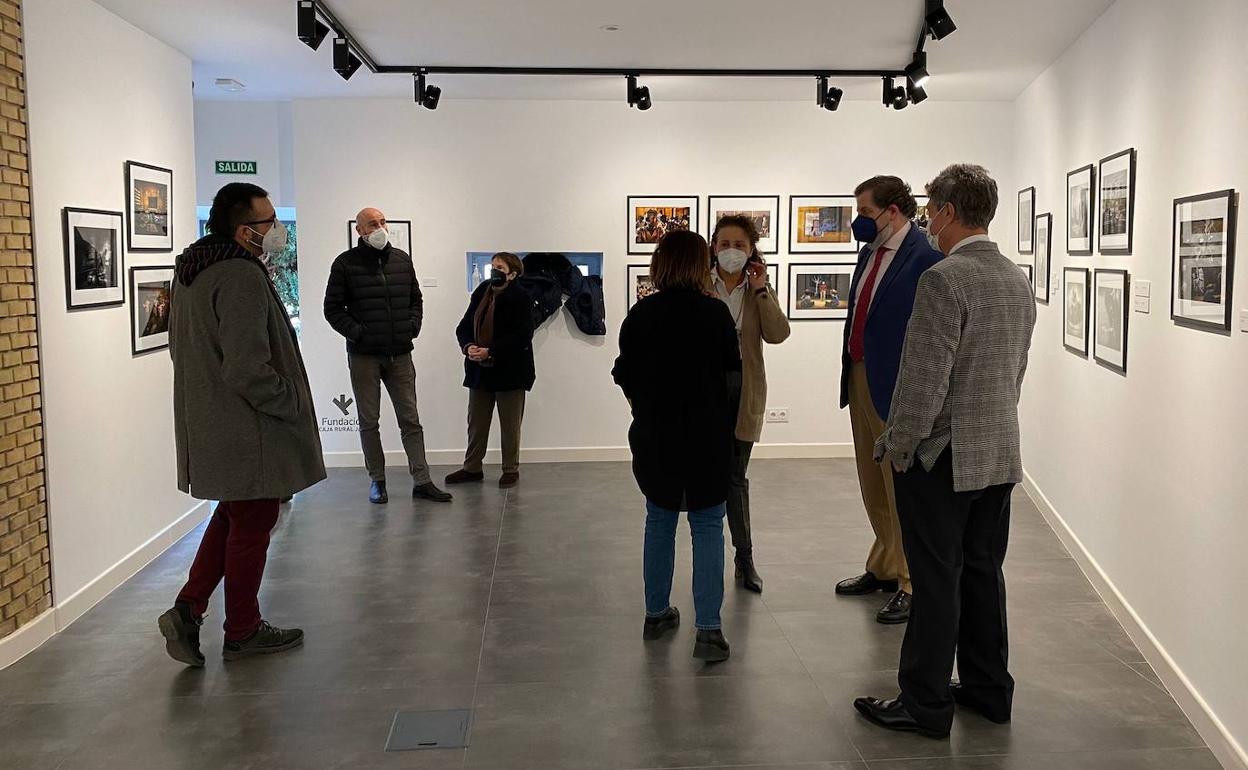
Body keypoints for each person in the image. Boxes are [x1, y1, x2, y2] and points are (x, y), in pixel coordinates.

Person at [854, 164, 1036, 738]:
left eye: (932, 210)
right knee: (983, 573)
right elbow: (1014, 370)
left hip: (942, 458)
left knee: (935, 580)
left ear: (950, 212)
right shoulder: (1015, 277)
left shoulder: (944, 279)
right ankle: (988, 689)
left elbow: (923, 381)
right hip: (998, 452)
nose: (928, 220)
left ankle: (924, 703)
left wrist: (899, 444)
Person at [157, 182, 325, 666]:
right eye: (268, 222)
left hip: (213, 419)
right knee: (253, 522)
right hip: (249, 427)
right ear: (243, 230)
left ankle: (189, 608)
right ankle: (243, 630)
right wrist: (290, 400)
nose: (276, 230)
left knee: (235, 513)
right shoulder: (239, 275)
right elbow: (247, 367)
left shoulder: (192, 270)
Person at [612, 230, 739, 662]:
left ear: (660, 264)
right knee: (708, 526)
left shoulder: (641, 314)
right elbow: (732, 375)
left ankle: (655, 614)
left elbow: (623, 373)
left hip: (656, 436)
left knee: (660, 520)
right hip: (707, 437)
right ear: (701, 264)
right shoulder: (715, 314)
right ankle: (709, 631)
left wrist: (643, 405)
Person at [835, 175, 944, 625]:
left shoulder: (926, 256)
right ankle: (883, 562)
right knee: (871, 478)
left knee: (900, 484)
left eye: (865, 212)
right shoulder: (869, 253)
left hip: (898, 384)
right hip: (861, 374)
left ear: (893, 211)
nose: (859, 221)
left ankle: (910, 581)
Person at [324, 208, 452, 505]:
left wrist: (412, 327)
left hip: (400, 354)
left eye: (382, 222)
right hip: (364, 356)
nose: (380, 227)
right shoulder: (345, 264)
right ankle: (377, 481)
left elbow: (415, 299)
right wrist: (358, 333)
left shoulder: (402, 260)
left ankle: (422, 480)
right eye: (372, 224)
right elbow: (332, 309)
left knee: (411, 420)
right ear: (359, 230)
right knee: (369, 421)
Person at [708, 215, 791, 593]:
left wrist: (761, 289)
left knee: (735, 475)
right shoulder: (700, 284)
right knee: (707, 474)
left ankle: (745, 557)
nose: (731, 251)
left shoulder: (758, 288)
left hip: (745, 389)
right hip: (705, 388)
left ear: (752, 249)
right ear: (713, 246)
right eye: (724, 243)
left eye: (739, 245)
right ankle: (708, 555)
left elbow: (778, 334)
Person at [446, 252, 535, 489]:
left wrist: (491, 351)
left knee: (510, 425)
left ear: (512, 274)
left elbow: (522, 336)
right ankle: (472, 468)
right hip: (479, 370)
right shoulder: (482, 291)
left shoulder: (522, 297)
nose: (494, 270)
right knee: (476, 423)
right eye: (493, 265)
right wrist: (469, 347)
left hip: (511, 371)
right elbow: (464, 326)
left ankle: (510, 469)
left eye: (500, 267)